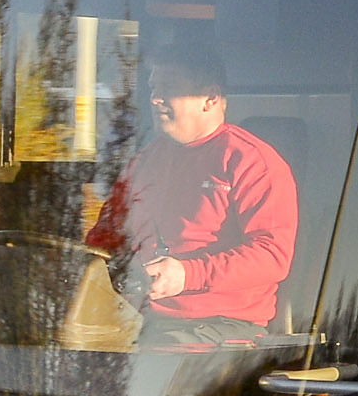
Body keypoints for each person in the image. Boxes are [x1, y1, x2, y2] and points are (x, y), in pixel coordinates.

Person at [90, 41, 298, 343]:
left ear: (210, 98)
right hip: (137, 321)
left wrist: (188, 275)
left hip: (219, 331)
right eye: (153, 88)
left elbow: (272, 255)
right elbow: (104, 237)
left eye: (170, 88)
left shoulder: (252, 162)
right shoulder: (144, 162)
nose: (156, 99)